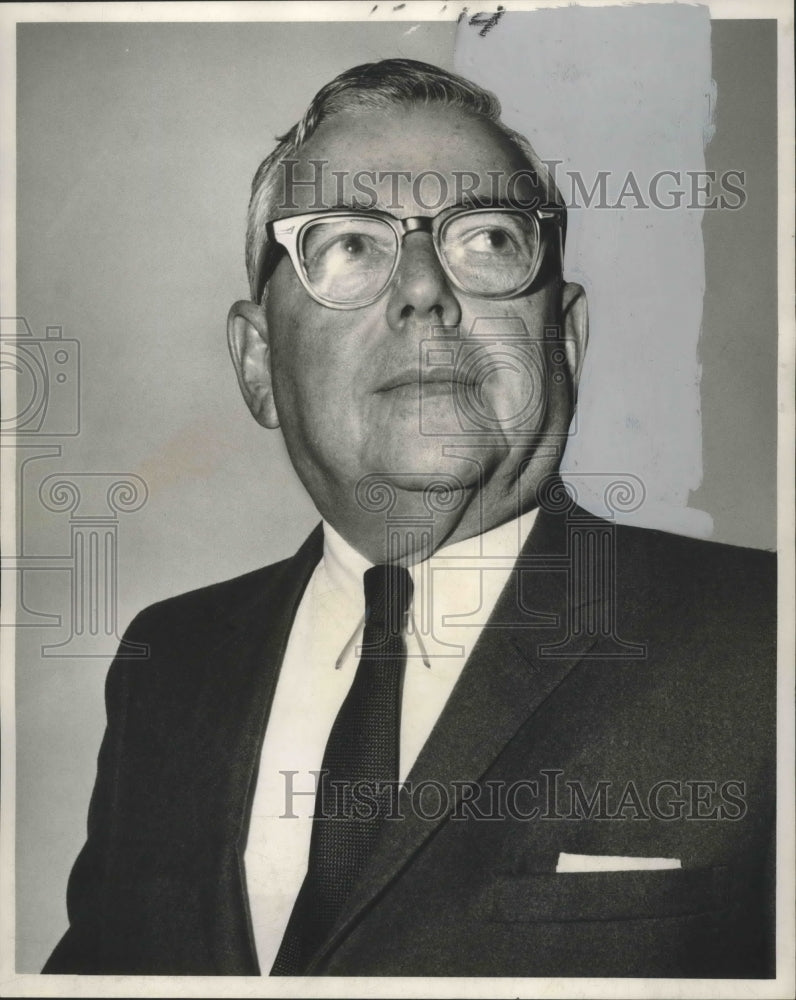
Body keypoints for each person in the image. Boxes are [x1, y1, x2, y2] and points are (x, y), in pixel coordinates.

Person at [43, 59, 775, 978]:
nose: (426, 286)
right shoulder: (173, 664)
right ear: (259, 363)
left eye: (491, 240)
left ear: (568, 341)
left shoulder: (766, 643)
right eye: (348, 243)